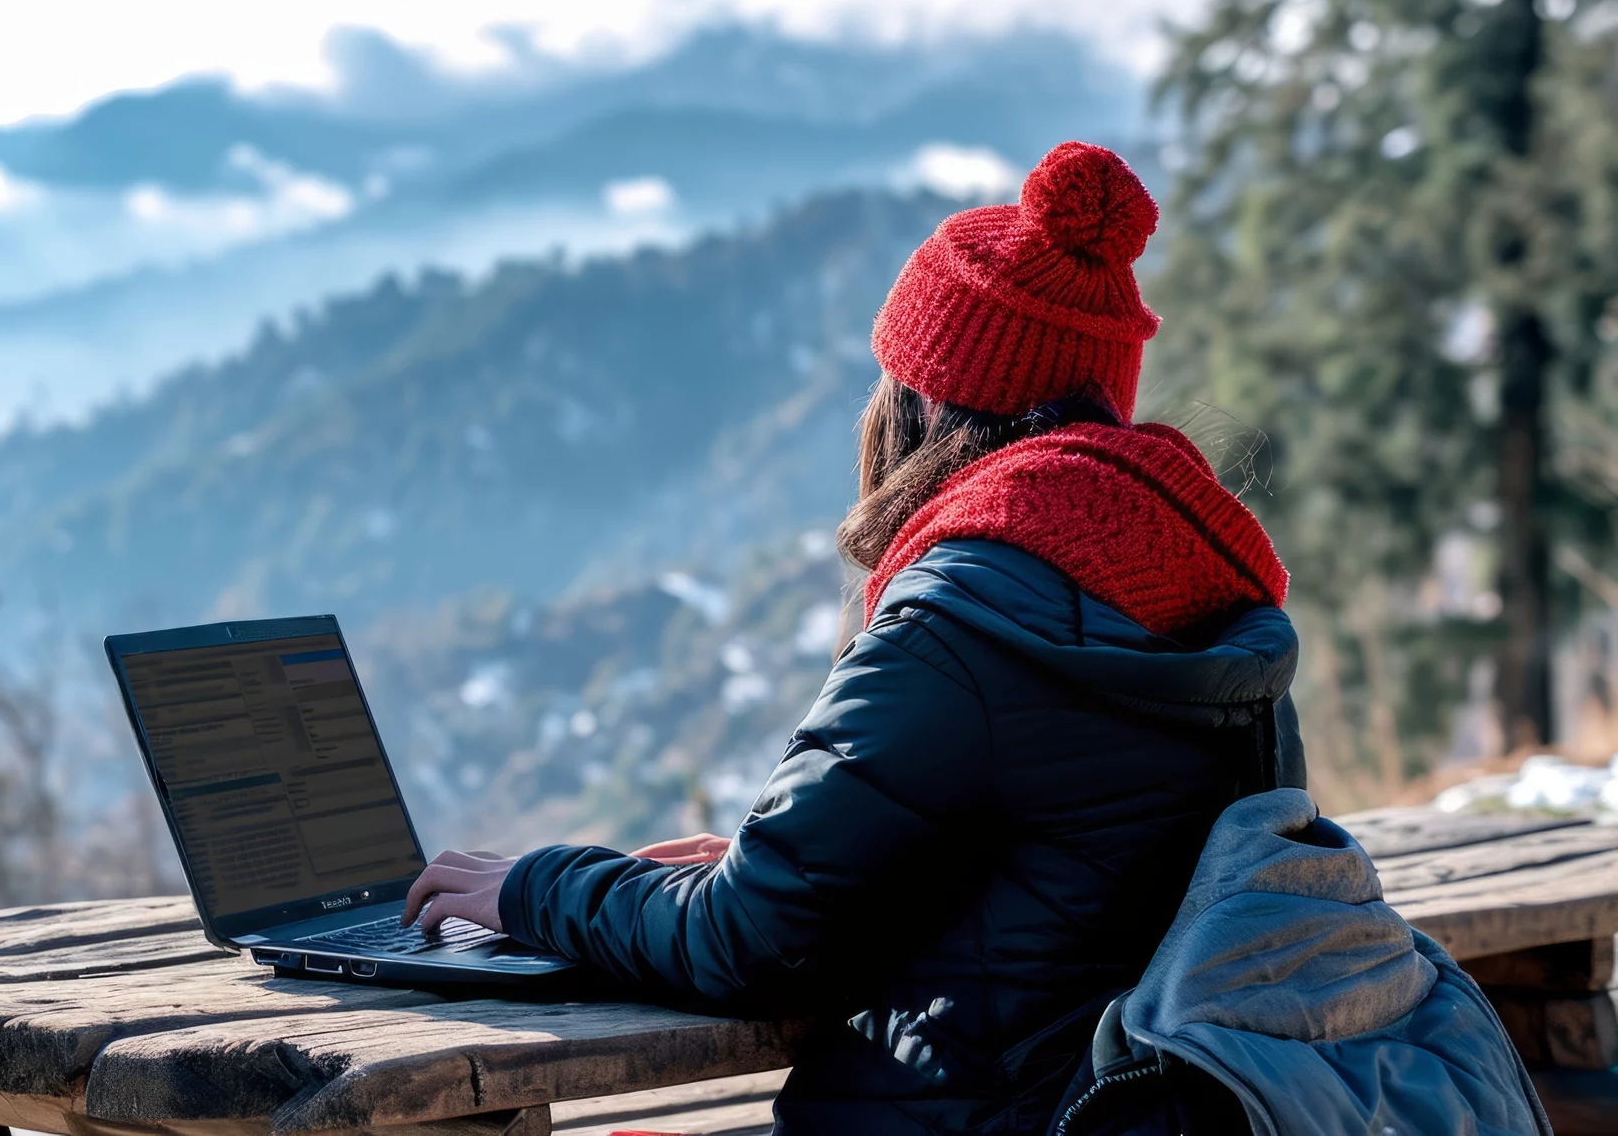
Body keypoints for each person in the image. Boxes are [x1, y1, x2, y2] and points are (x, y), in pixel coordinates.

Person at [403, 142, 1302, 1134]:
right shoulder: (1205, 598)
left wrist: (533, 885)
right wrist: (814, 871)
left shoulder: (962, 617)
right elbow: (1065, 891)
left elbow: (739, 944)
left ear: (923, 399)